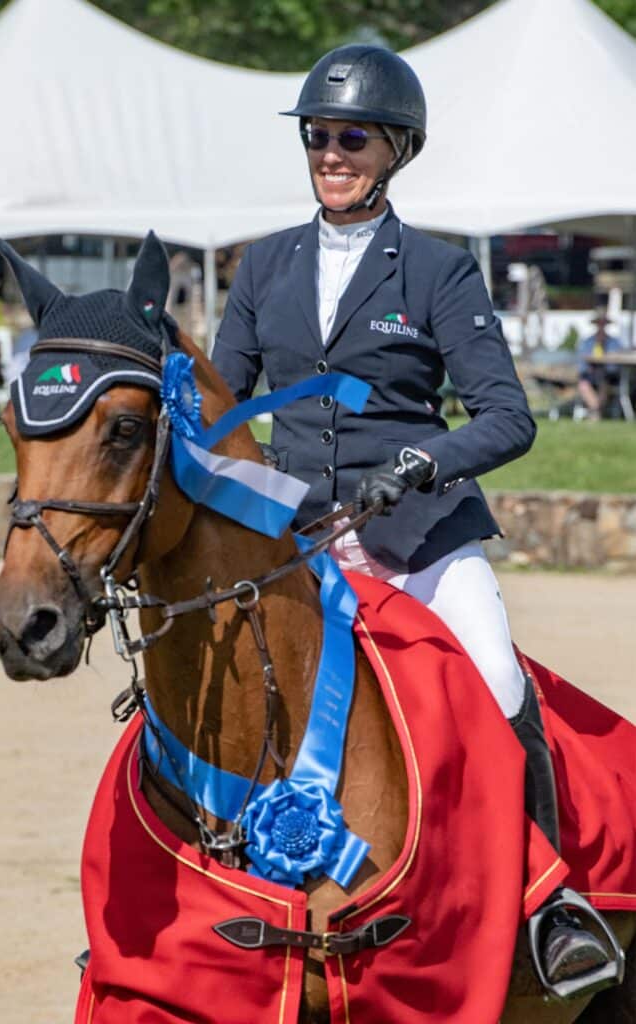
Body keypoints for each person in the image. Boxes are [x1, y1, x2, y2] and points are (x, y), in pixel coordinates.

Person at [211, 44, 619, 995]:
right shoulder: (264, 264)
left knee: (497, 680)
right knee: (214, 684)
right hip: (299, 541)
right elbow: (227, 404)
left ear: (395, 147)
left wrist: (418, 463)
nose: (329, 152)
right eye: (317, 135)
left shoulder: (437, 270)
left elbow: (507, 416)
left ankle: (548, 902)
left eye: (350, 136)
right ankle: (201, 892)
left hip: (418, 537)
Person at [576, 310, 623, 419]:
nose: (601, 326)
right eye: (599, 323)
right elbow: (582, 362)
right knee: (583, 385)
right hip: (590, 374)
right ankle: (596, 410)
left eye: (603, 323)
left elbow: (616, 362)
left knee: (604, 384)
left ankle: (594, 412)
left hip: (607, 375)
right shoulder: (587, 342)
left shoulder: (614, 342)